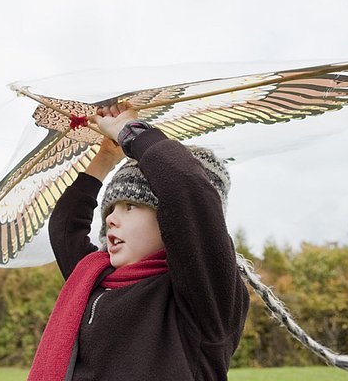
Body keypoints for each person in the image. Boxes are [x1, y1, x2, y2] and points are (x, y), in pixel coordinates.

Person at [28, 102, 249, 381]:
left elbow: (187, 189)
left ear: (173, 219)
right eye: (111, 209)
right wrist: (105, 158)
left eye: (131, 206)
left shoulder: (206, 294)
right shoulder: (96, 279)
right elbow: (64, 228)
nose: (111, 219)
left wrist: (131, 133)